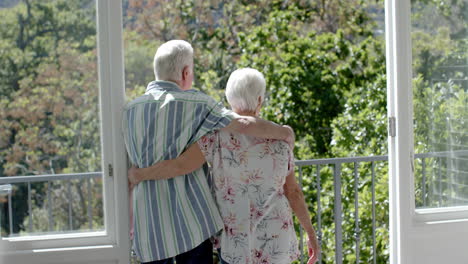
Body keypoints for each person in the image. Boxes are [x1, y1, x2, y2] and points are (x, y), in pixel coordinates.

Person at [122, 41, 294, 264]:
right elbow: (242, 123)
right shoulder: (197, 103)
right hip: (192, 223)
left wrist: (137, 179)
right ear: (185, 73)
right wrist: (284, 132)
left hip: (150, 225)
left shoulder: (130, 110)